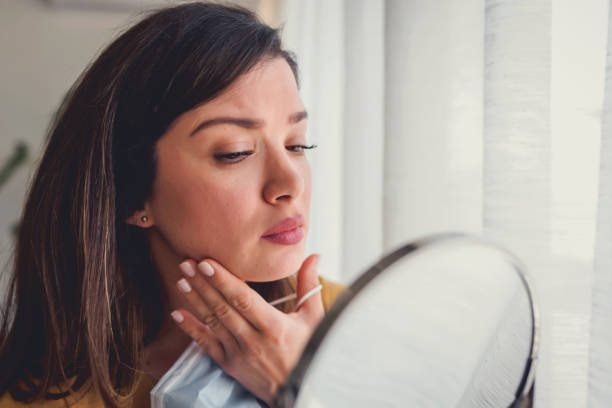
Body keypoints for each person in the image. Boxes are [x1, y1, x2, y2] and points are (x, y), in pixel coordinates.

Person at [0, 2, 344, 407]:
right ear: (133, 194)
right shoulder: (46, 396)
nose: (289, 183)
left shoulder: (366, 326)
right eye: (235, 152)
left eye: (297, 144)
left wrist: (303, 390)